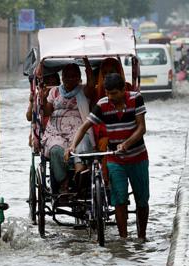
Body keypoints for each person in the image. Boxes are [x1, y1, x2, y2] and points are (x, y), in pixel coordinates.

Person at [65, 73, 149, 241]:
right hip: (115, 159)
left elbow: (141, 128)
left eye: (115, 93)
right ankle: (123, 239)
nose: (111, 97)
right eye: (108, 93)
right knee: (119, 199)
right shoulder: (102, 104)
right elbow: (84, 127)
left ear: (124, 90)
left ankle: (142, 237)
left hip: (137, 157)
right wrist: (73, 145)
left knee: (142, 200)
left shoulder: (136, 99)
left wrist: (127, 143)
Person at [41, 59, 95, 193]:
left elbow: (92, 84)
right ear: (62, 77)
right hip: (56, 131)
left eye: (74, 76)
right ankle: (63, 184)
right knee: (55, 149)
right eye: (67, 76)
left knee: (82, 142)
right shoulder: (54, 91)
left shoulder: (83, 90)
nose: (70, 79)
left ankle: (80, 174)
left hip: (78, 129)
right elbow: (48, 111)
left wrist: (86, 62)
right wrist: (42, 99)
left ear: (79, 78)